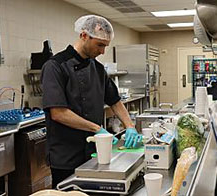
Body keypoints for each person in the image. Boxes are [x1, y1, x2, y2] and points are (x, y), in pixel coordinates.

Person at [40, 15, 142, 188]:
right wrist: (97, 129)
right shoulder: (55, 66)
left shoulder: (98, 69)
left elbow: (115, 101)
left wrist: (130, 126)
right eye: (100, 45)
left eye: (105, 46)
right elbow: (58, 113)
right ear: (84, 36)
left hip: (95, 153)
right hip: (66, 155)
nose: (102, 51)